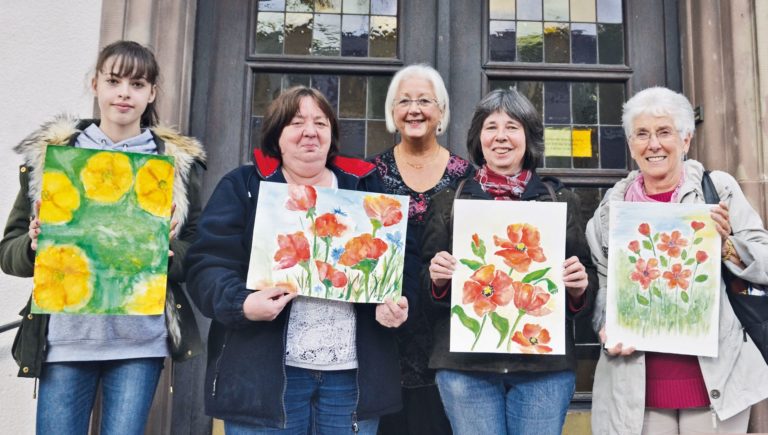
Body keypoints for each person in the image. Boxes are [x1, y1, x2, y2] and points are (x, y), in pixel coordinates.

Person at [0, 40, 205, 434]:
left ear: (152, 93)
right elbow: (8, 251)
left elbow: (195, 249)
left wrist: (168, 254)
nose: (124, 92)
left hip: (138, 343)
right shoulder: (52, 158)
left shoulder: (174, 166)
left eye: (138, 83)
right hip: (65, 341)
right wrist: (32, 246)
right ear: (95, 84)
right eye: (114, 81)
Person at [184, 86, 409, 434]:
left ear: (331, 134)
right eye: (296, 122)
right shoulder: (244, 186)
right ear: (277, 133)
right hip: (266, 380)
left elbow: (398, 265)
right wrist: (242, 303)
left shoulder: (365, 187)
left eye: (320, 122)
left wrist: (390, 304)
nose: (310, 131)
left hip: (349, 381)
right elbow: (205, 265)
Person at [586, 86, 768, 434]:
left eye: (664, 132)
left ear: (685, 141)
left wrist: (728, 245)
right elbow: (606, 287)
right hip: (638, 387)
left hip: (716, 381)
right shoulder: (611, 211)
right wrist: (605, 326)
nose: (653, 144)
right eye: (642, 134)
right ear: (631, 145)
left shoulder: (719, 189)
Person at [423, 88, 596, 435]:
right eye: (491, 126)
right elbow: (423, 287)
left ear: (528, 137)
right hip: (465, 368)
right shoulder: (449, 201)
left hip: (542, 369)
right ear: (478, 137)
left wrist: (579, 287)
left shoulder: (559, 200)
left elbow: (585, 283)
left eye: (512, 126)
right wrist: (437, 280)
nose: (501, 136)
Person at [371, 64, 471, 435]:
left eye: (425, 101)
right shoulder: (370, 174)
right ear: (392, 112)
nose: (414, 109)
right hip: (385, 329)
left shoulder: (466, 178)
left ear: (441, 112)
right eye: (405, 101)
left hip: (446, 332)